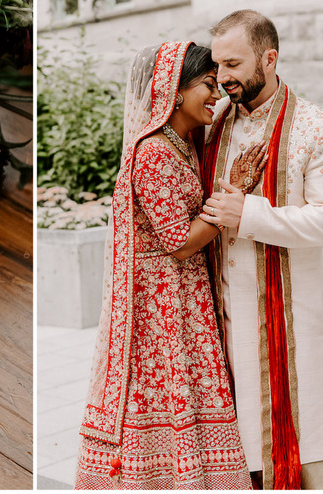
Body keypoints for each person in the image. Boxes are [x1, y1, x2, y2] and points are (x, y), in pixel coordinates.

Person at [75, 41, 258, 489]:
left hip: (181, 295)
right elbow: (178, 243)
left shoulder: (181, 144)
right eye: (207, 85)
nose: (216, 96)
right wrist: (234, 194)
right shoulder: (154, 152)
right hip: (160, 306)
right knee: (165, 393)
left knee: (186, 394)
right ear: (174, 90)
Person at [200, 10, 323, 489]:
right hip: (223, 314)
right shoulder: (214, 124)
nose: (222, 77)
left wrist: (247, 215)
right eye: (217, 65)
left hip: (289, 317)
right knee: (238, 447)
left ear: (269, 57)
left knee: (309, 448)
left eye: (233, 64)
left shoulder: (318, 128)